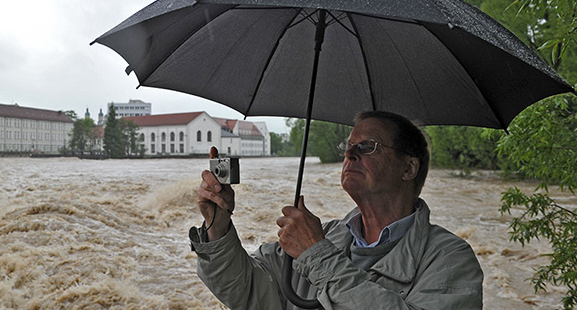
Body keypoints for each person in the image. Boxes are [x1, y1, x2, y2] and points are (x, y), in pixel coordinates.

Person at [189, 111, 483, 309]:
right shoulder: (324, 235)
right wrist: (218, 223)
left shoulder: (450, 259)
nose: (349, 153)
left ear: (408, 167)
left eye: (368, 146)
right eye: (348, 144)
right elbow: (245, 290)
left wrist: (317, 256)